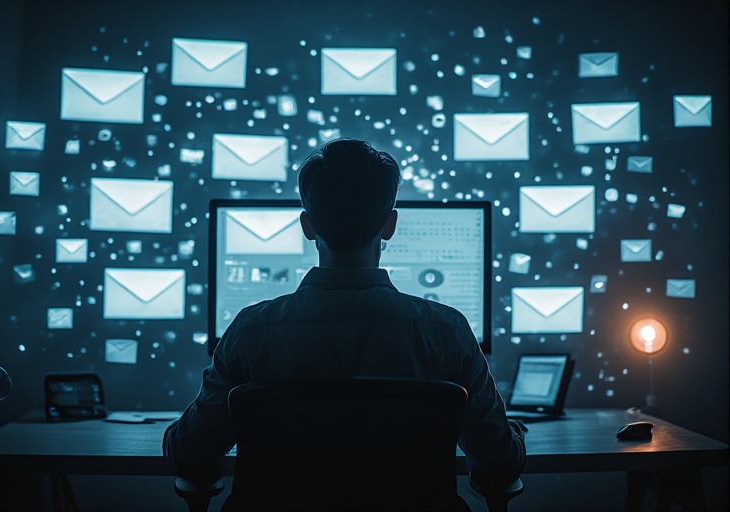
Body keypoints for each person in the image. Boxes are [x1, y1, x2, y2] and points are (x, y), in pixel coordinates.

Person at [163, 138, 526, 490]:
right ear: (391, 225)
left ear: (307, 226)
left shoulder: (250, 331)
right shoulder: (447, 331)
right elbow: (500, 460)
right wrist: (513, 432)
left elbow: (189, 454)